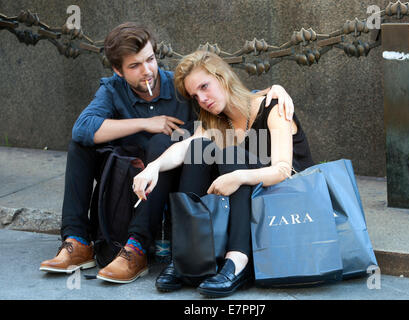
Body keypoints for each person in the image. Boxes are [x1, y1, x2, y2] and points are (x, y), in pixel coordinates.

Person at [39, 22, 296, 284]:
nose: (147, 70)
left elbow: (232, 100)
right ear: (118, 71)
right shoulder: (114, 90)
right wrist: (146, 129)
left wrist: (273, 90)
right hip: (133, 175)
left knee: (179, 144)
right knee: (81, 144)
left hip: (193, 176)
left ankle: (141, 248)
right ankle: (78, 241)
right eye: (134, 66)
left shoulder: (181, 86)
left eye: (149, 59)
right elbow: (82, 128)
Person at [132, 50, 314, 297]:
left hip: (285, 201)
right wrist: (154, 166)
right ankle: (189, 254)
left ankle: (238, 261)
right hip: (249, 200)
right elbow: (183, 147)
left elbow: (283, 170)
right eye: (196, 96)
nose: (202, 99)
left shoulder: (272, 106)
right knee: (199, 147)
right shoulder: (219, 122)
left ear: (223, 77)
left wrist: (238, 176)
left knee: (230, 154)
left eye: (205, 87)